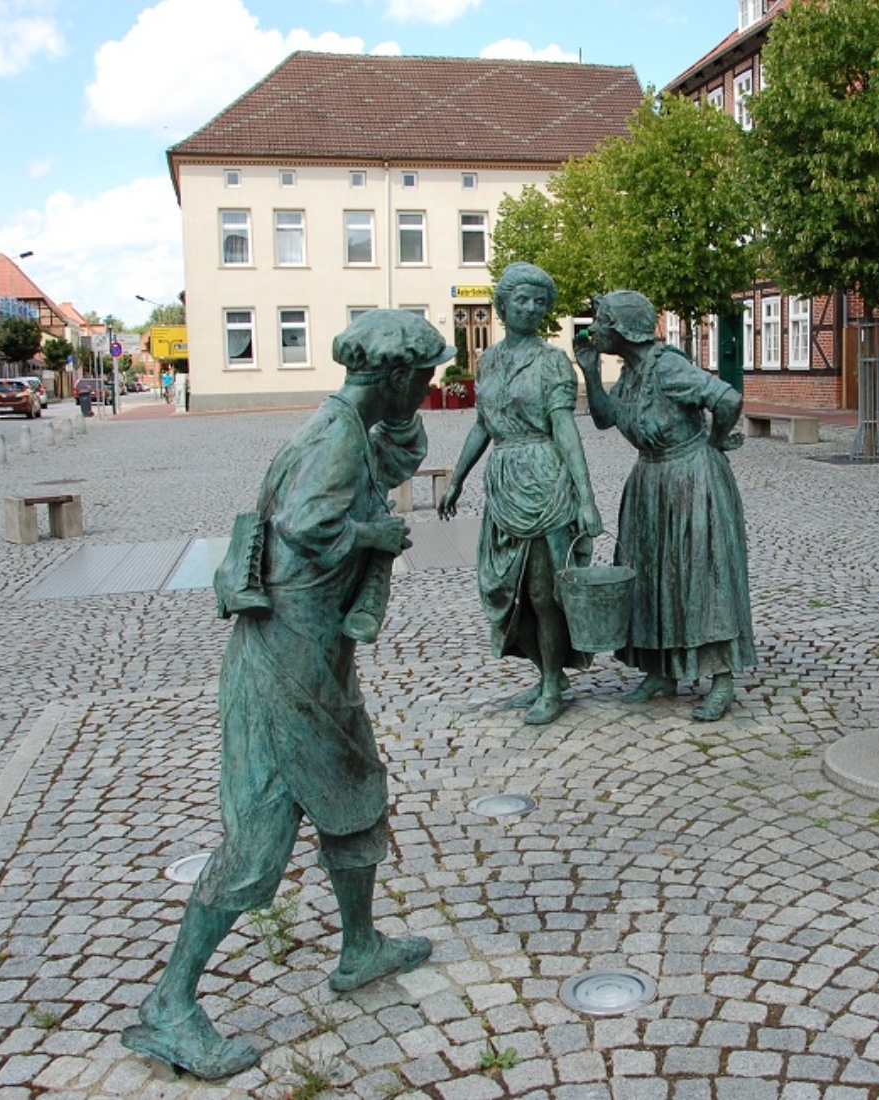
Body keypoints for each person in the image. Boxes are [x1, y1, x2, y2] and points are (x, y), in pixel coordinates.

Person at [122, 310, 448, 1079]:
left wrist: (396, 428)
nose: (429, 387)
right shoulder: (334, 439)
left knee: (356, 790)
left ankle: (361, 946)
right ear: (397, 375)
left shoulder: (348, 427)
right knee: (256, 848)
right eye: (423, 377)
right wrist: (374, 538)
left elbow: (392, 460)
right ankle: (170, 1006)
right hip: (282, 670)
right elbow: (304, 532)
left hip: (314, 657)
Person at [574, 290, 755, 722]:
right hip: (650, 482)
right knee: (653, 576)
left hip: (691, 478)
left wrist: (712, 442)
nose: (592, 328)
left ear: (622, 328)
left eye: (599, 320)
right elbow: (605, 418)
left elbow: (727, 399)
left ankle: (722, 679)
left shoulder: (667, 365)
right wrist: (592, 375)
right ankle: (661, 671)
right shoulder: (632, 373)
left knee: (701, 575)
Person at [438, 262, 602, 725]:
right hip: (504, 481)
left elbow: (566, 429)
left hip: (546, 480)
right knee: (505, 588)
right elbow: (481, 426)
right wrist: (457, 478)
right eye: (521, 300)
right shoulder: (488, 360)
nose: (530, 308)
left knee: (543, 591)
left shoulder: (551, 362)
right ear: (503, 306)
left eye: (539, 302)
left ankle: (553, 682)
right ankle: (547, 672)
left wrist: (585, 496)